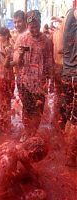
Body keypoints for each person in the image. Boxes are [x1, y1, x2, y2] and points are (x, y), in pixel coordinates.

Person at [14, 10, 54, 139]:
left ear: (40, 23)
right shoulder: (22, 38)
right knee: (27, 107)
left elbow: (49, 61)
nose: (34, 29)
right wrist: (19, 54)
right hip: (24, 81)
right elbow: (15, 61)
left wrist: (51, 81)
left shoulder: (47, 41)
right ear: (28, 25)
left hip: (40, 82)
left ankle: (33, 132)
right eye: (31, 27)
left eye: (36, 26)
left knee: (38, 109)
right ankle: (27, 131)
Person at [0, 136, 48, 200]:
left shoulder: (14, 144)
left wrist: (33, 173)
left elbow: (24, 159)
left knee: (23, 172)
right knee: (42, 195)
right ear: (30, 155)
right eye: (34, 161)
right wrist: (26, 197)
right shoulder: (6, 165)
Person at [61, 7, 77, 167]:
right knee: (75, 119)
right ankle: (71, 158)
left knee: (71, 117)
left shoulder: (67, 17)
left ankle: (69, 153)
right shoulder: (74, 13)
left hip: (67, 74)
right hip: (75, 76)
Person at [0, 27, 16, 133]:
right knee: (2, 100)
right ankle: (5, 123)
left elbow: (14, 62)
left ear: (6, 35)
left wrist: (4, 60)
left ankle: (6, 122)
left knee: (7, 100)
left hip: (9, 76)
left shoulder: (13, 46)